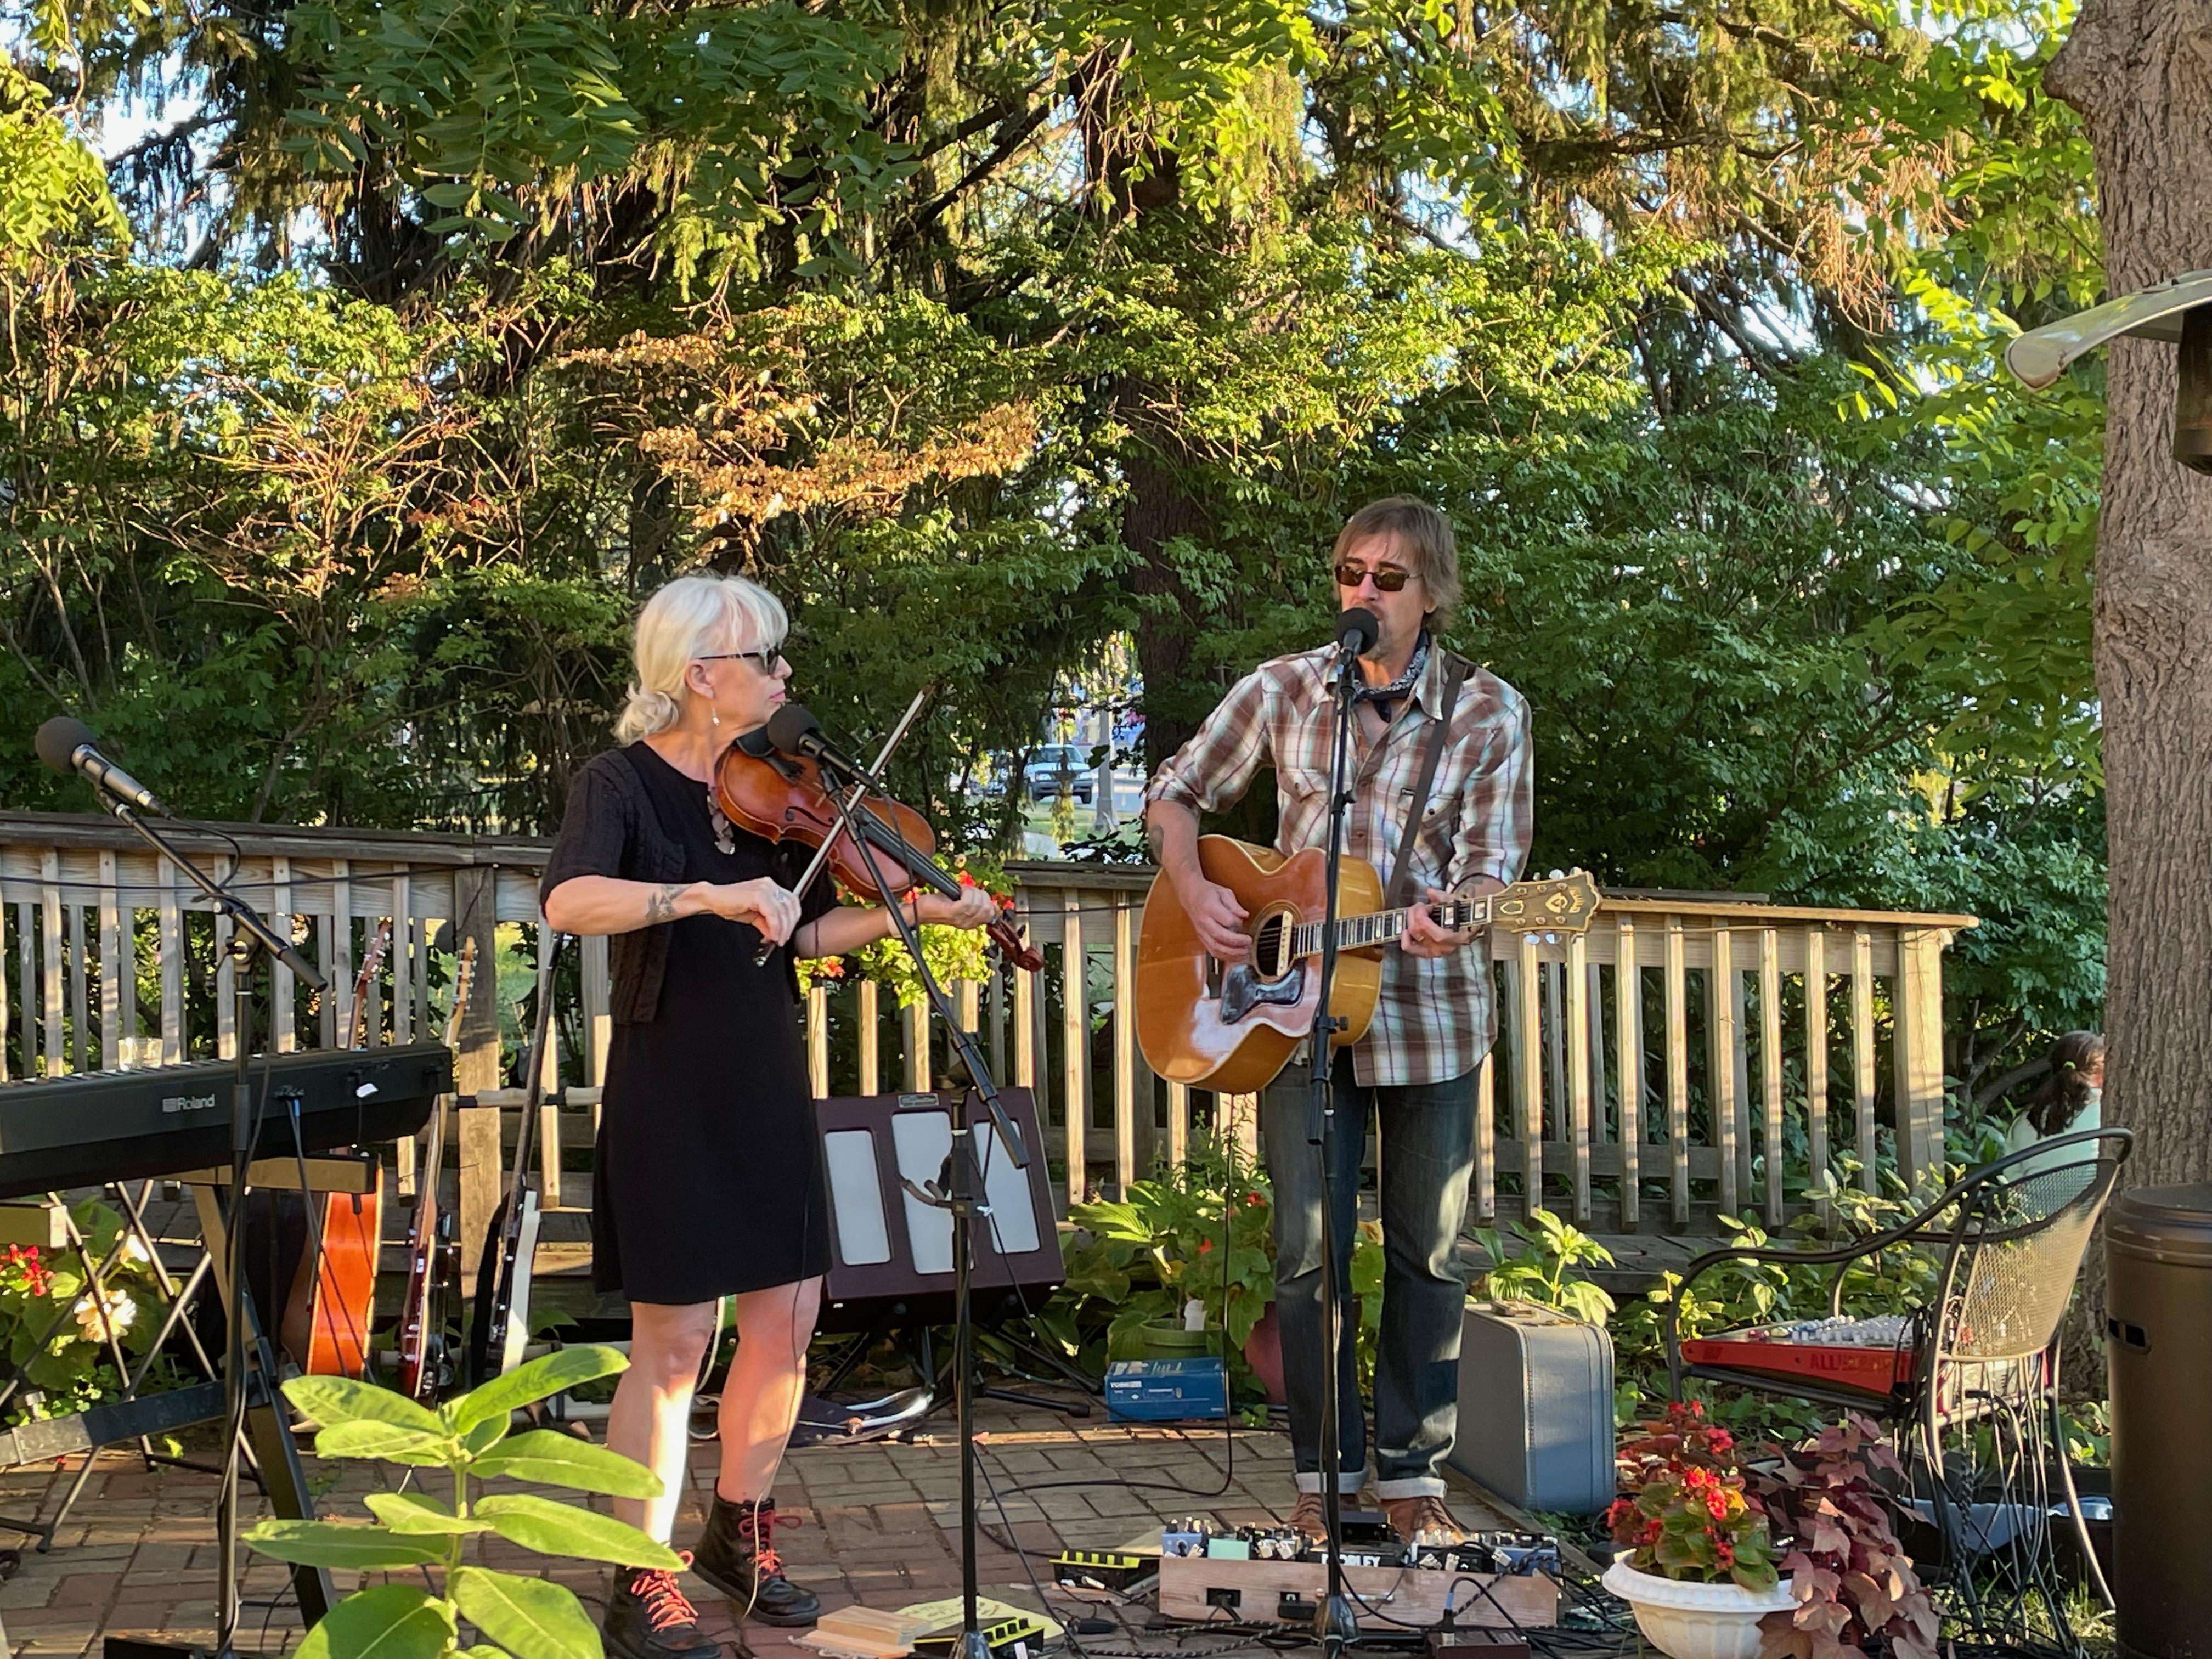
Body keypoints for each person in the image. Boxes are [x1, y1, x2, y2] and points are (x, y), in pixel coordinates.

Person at [541, 574, 1001, 1659]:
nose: (787, 676)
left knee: (785, 1321)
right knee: (675, 1342)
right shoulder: (618, 785)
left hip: (765, 1070)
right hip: (669, 1078)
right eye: (768, 659)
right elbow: (569, 903)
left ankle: (738, 1534)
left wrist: (918, 909)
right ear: (702, 675)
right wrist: (702, 895)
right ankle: (640, 1575)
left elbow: (798, 938)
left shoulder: (775, 792)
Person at [1143, 497, 1533, 1546]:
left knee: (1427, 1252)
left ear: (1434, 594)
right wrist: (1197, 887)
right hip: (1289, 1014)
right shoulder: (1282, 687)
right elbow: (1175, 793)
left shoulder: (1488, 712)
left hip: (1428, 1016)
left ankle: (1411, 1476)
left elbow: (1492, 869)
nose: (1364, 593)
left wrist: (1461, 914)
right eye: (1350, 573)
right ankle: (1323, 1474)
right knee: (1305, 1253)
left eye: (1389, 579)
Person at [2005, 1030, 2104, 1172]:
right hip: (2099, 1194)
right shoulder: (2109, 1113)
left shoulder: (2023, 1122)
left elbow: (2012, 1179)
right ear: (2101, 1075)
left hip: (2037, 1195)